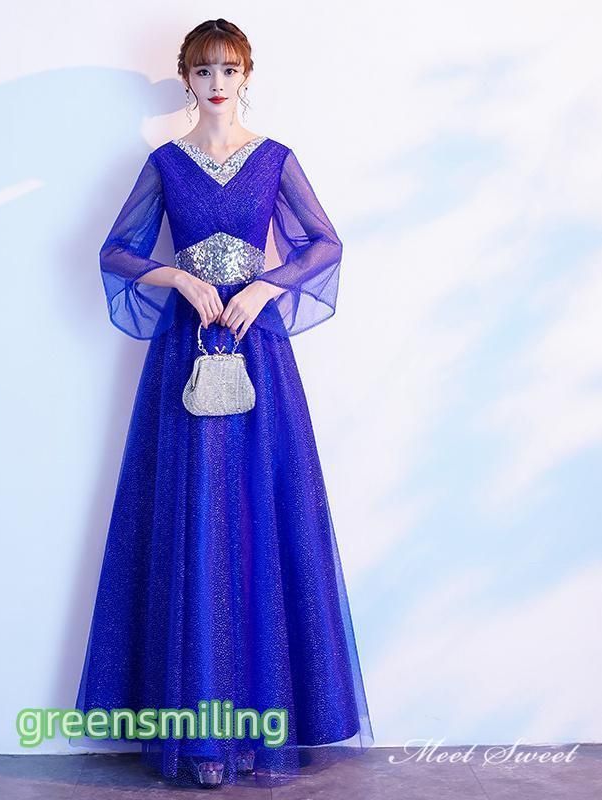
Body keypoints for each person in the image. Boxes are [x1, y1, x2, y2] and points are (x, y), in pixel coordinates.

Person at [72, 17, 374, 789]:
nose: (216, 84)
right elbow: (116, 250)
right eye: (204, 70)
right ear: (186, 78)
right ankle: (200, 737)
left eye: (229, 70)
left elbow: (325, 243)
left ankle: (260, 728)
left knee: (259, 513)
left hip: (256, 352)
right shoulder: (165, 164)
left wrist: (266, 287)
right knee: (192, 516)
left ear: (246, 76)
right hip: (187, 350)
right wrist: (179, 276)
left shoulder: (274, 160)